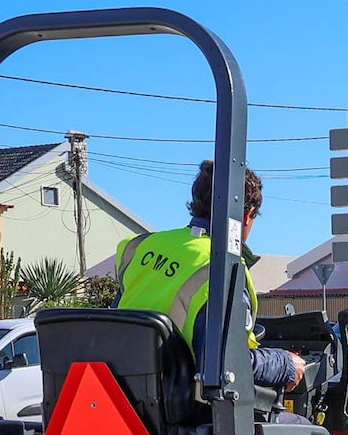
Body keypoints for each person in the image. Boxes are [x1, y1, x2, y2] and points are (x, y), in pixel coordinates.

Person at [113, 162, 304, 399]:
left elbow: (118, 326)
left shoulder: (140, 248)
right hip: (192, 418)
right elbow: (226, 365)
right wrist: (285, 364)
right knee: (309, 433)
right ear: (247, 215)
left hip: (127, 403)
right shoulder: (222, 268)